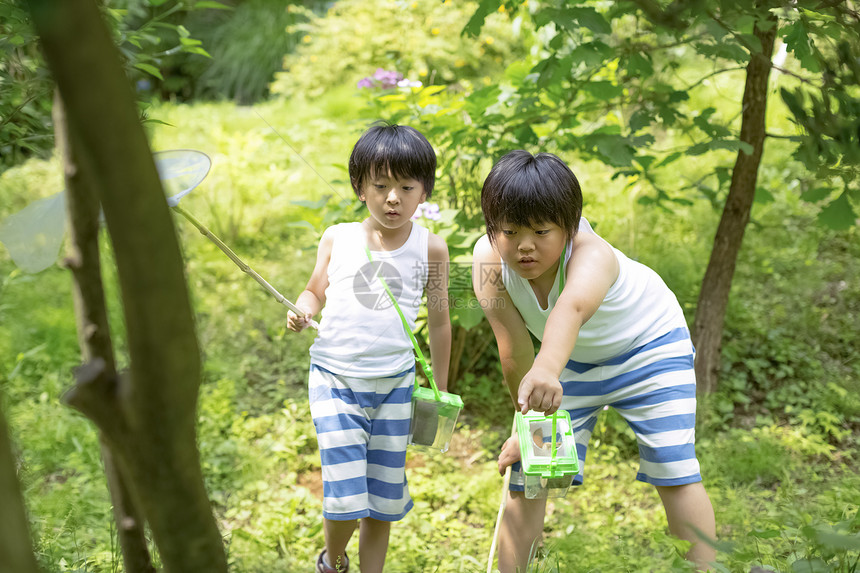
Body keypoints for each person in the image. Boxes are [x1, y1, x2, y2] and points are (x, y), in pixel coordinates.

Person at [471, 150, 716, 572]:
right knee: (531, 473)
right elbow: (512, 349)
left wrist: (547, 370)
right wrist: (525, 423)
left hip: (650, 350)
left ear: (569, 225)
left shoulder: (592, 254)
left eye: (541, 231)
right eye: (509, 231)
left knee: (673, 467)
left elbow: (571, 310)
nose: (524, 246)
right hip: (570, 359)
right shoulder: (485, 262)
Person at [287, 123, 451, 573]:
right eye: (380, 185)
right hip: (335, 379)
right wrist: (301, 309)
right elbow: (313, 290)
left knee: (384, 495)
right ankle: (332, 561)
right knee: (344, 493)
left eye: (406, 186)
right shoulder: (338, 237)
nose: (393, 197)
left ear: (424, 192)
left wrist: (440, 385)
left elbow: (439, 321)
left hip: (396, 385)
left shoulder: (432, 249)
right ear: (360, 187)